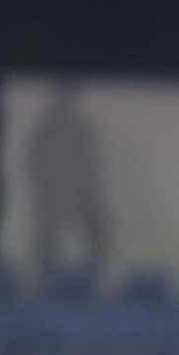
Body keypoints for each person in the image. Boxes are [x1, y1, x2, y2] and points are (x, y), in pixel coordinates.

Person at [28, 82, 107, 286]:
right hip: (56, 191)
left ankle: (90, 276)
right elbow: (35, 159)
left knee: (95, 231)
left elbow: (88, 160)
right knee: (48, 237)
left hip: (78, 190)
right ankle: (46, 279)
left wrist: (86, 186)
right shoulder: (49, 126)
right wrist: (46, 185)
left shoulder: (78, 126)